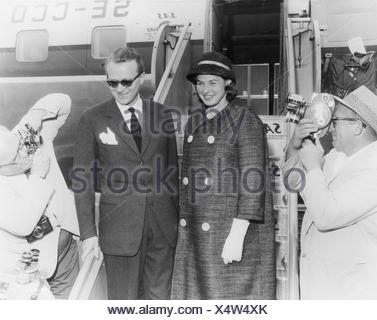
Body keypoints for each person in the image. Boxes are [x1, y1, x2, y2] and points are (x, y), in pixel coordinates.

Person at [73, 47, 179, 300]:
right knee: (123, 303)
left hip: (162, 229)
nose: (119, 88)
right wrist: (88, 234)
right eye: (112, 82)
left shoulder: (162, 114)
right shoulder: (92, 119)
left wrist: (178, 222)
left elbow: (172, 172)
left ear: (142, 78)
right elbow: (83, 181)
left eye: (126, 81)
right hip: (119, 231)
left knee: (159, 301)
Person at [171, 51, 276, 299]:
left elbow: (253, 181)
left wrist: (237, 235)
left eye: (212, 83)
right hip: (196, 229)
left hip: (228, 230)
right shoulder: (194, 120)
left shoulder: (245, 120)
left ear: (228, 84)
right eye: (200, 83)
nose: (205, 90)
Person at [282, 85, 377, 299]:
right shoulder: (338, 155)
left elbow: (327, 216)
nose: (330, 127)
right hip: (323, 283)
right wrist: (294, 145)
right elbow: (295, 182)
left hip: (350, 291)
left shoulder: (374, 168)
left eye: (336, 122)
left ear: (358, 127)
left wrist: (314, 167)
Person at [0, 93, 79, 299]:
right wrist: (37, 176)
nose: (25, 153)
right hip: (32, 269)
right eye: (15, 157)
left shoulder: (26, 139)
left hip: (66, 250)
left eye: (20, 147)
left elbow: (63, 101)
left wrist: (36, 114)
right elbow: (23, 222)